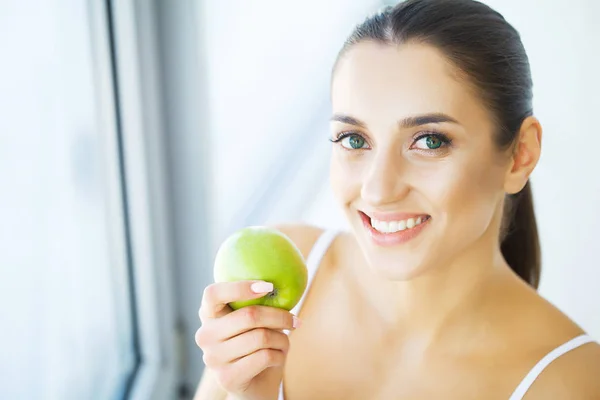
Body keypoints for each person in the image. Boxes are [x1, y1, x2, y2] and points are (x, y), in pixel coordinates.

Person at [193, 0, 600, 399]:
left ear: (519, 155)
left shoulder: (575, 382)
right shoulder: (283, 277)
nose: (378, 190)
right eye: (354, 140)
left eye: (429, 141)